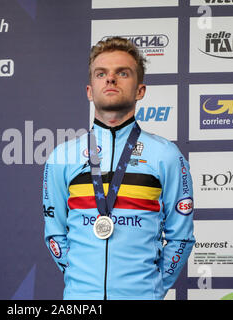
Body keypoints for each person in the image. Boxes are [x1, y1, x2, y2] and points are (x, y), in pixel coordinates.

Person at [43, 37, 195, 300]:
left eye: (122, 73)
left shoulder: (166, 155)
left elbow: (181, 238)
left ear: (140, 90)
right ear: (90, 91)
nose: (110, 79)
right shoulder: (61, 157)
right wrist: (79, 282)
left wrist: (154, 288)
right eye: (102, 74)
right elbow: (55, 234)